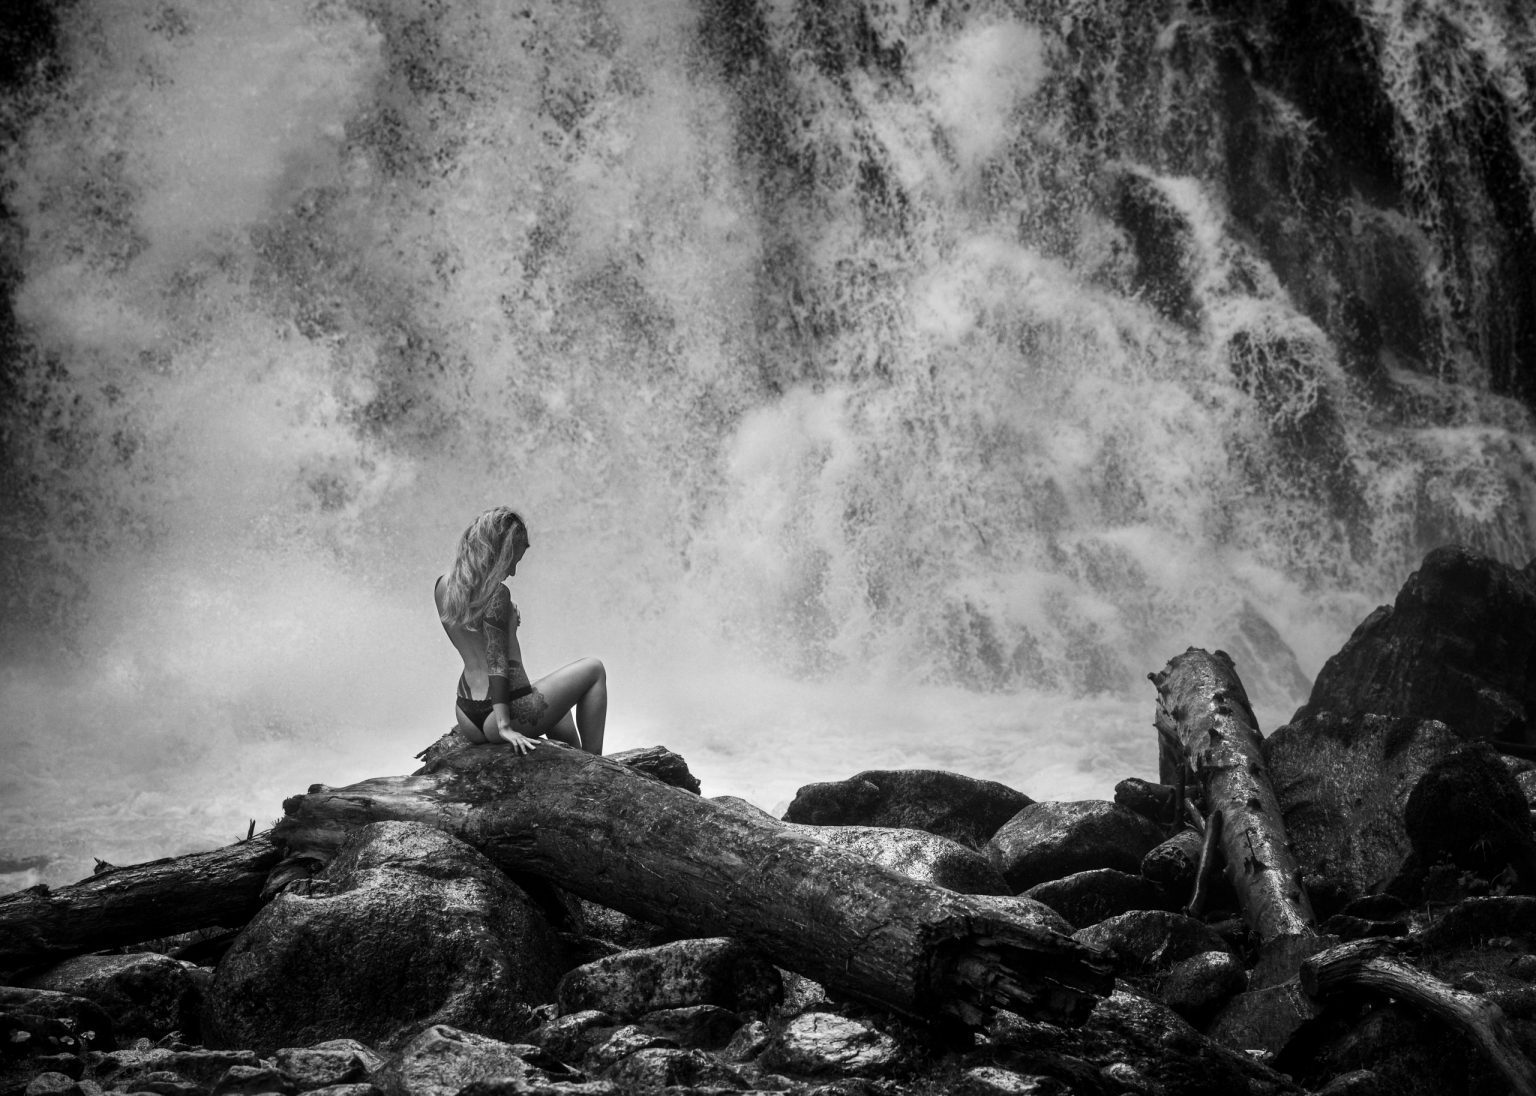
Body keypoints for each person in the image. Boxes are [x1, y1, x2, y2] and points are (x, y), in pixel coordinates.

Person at [435, 507, 606, 755]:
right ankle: (596, 765)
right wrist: (504, 726)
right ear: (497, 552)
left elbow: (472, 644)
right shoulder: (497, 594)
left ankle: (578, 760)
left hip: (467, 713)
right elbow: (496, 661)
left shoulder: (444, 585)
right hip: (497, 717)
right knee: (594, 668)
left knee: (560, 707)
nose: (512, 571)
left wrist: (505, 623)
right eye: (511, 560)